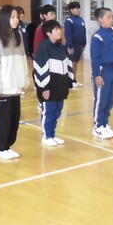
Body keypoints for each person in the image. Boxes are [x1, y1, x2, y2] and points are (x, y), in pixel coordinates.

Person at [0, 5, 28, 160]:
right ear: (4, 18)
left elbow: (22, 60)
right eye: (12, 17)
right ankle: (1, 148)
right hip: (3, 89)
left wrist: (23, 80)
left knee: (14, 120)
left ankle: (7, 146)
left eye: (17, 17)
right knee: (4, 121)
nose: (16, 20)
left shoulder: (18, 37)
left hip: (15, 87)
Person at [33, 19, 74, 147]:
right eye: (56, 29)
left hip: (60, 87)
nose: (59, 31)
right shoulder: (43, 48)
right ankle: (47, 135)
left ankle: (52, 134)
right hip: (49, 88)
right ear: (48, 33)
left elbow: (67, 65)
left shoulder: (62, 48)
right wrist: (44, 88)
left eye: (59, 28)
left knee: (57, 111)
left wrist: (69, 81)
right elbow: (39, 69)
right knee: (49, 112)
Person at [90, 7, 113, 139]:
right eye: (108, 17)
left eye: (112, 17)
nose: (111, 19)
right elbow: (95, 58)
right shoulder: (97, 36)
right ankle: (97, 126)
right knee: (101, 99)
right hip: (103, 70)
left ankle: (104, 123)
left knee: (110, 98)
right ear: (100, 19)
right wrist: (97, 75)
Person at [64, 1, 87, 89]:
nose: (78, 10)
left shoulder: (81, 20)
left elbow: (83, 32)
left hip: (80, 46)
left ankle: (74, 79)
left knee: (76, 63)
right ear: (71, 10)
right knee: (72, 63)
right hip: (72, 46)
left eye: (78, 8)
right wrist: (70, 46)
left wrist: (84, 43)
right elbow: (68, 35)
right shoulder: (69, 21)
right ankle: (70, 81)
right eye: (75, 8)